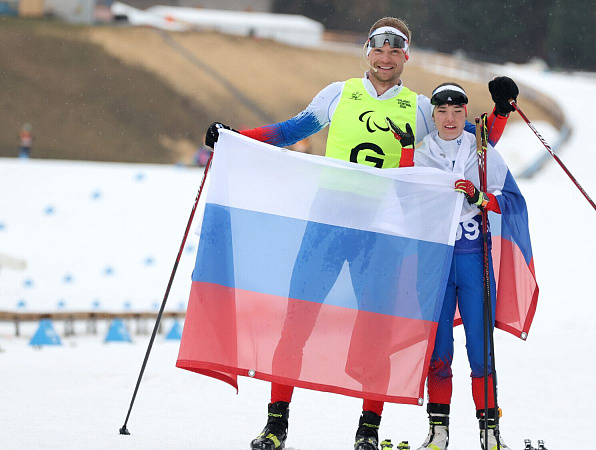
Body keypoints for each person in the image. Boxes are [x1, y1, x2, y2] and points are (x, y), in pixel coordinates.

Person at [204, 16, 520, 450]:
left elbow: (471, 137)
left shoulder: (422, 107)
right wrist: (235, 136)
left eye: (395, 50)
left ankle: (367, 431)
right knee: (296, 323)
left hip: (382, 233)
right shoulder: (339, 94)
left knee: (377, 332)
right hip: (327, 227)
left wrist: (501, 110)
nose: (385, 57)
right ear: (366, 52)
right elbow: (290, 131)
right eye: (379, 48)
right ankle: (275, 425)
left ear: (405, 56)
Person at [399, 83, 530, 450]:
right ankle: (438, 433)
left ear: (465, 114)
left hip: (474, 259)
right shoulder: (422, 154)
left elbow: (513, 204)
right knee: (439, 352)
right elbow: (403, 200)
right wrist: (407, 154)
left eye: (458, 112)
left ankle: (490, 436)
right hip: (436, 264)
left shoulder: (483, 154)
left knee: (481, 350)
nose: (451, 119)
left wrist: (481, 198)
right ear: (434, 115)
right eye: (442, 112)